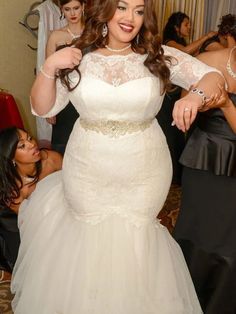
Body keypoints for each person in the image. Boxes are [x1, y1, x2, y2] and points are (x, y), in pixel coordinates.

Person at [11, 0, 224, 313]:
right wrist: (50, 65)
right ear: (105, 10)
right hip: (87, 169)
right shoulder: (77, 57)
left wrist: (195, 95)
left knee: (138, 244)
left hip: (144, 171)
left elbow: (213, 77)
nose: (130, 18)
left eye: (139, 11)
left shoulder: (158, 56)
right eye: (122, 7)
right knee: (88, 244)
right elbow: (43, 108)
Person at [173, 44, 236, 312]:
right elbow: (186, 99)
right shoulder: (207, 60)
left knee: (228, 247)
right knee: (194, 234)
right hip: (203, 162)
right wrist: (194, 102)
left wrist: (226, 104)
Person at [157, 12, 215, 184]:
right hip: (169, 95)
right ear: (176, 27)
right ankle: (172, 174)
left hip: (179, 93)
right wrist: (206, 37)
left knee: (176, 134)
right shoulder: (169, 43)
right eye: (186, 24)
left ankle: (177, 174)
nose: (189, 27)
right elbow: (184, 52)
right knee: (170, 134)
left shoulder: (182, 43)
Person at [0, 127, 62, 276]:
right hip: (17, 224)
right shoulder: (13, 191)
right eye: (22, 146)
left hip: (55, 212)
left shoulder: (51, 160)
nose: (32, 144)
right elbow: (30, 225)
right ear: (12, 158)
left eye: (29, 138)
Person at [45, 0, 85, 154]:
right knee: (63, 146)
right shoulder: (55, 36)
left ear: (83, 7)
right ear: (62, 10)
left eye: (76, 8)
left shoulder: (93, 33)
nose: (73, 13)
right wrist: (50, 108)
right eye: (67, 9)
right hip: (64, 95)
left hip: (88, 94)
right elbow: (49, 72)